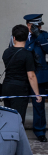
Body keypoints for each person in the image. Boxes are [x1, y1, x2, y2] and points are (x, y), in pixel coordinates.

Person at [1, 23, 42, 124]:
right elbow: (31, 76)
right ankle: (17, 139)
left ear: (14, 38)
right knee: (18, 119)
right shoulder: (27, 54)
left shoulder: (6, 52)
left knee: (7, 117)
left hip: (6, 87)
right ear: (27, 38)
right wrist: (37, 94)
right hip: (20, 89)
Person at [24, 13, 48, 142]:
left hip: (39, 75)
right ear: (28, 25)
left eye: (39, 25)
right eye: (35, 26)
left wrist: (38, 36)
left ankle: (40, 131)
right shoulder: (21, 35)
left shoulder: (44, 35)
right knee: (21, 104)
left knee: (38, 105)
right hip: (23, 75)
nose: (38, 27)